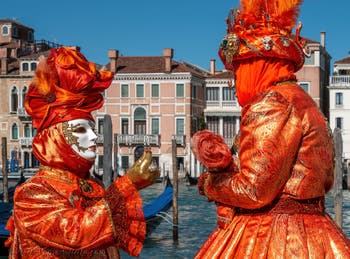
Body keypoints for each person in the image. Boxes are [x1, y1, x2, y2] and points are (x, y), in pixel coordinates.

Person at [191, 0, 350, 258]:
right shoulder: (309, 105)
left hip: (275, 236)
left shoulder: (270, 102)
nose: (234, 83)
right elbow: (327, 182)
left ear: (257, 65)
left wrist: (210, 183)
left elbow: (254, 190)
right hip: (317, 231)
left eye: (239, 70)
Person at [5, 46, 159, 258]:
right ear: (55, 136)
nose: (94, 137)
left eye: (93, 129)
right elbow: (77, 234)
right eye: (80, 129)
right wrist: (129, 184)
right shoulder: (32, 193)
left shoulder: (91, 186)